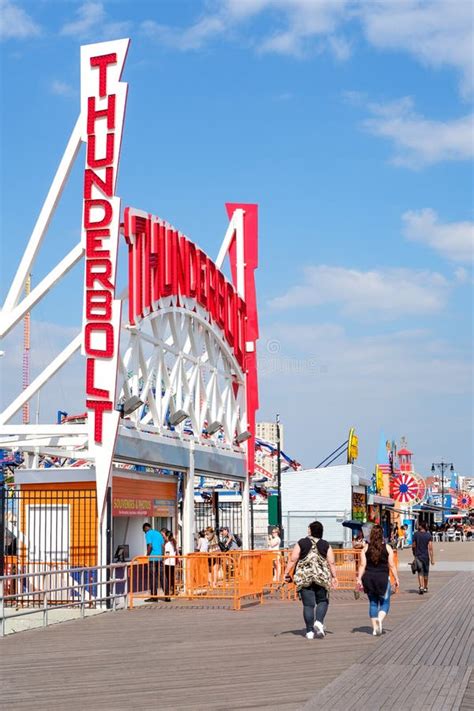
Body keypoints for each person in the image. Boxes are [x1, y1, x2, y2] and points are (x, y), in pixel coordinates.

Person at [283, 520, 338, 640]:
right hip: (321, 577)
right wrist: (334, 577)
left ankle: (309, 631)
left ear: (310, 530)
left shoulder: (302, 542)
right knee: (323, 601)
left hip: (304, 577)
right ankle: (318, 621)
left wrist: (286, 573)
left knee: (308, 605)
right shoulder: (325, 544)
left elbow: (293, 559)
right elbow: (331, 562)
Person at [356, 524, 399, 636]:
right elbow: (391, 565)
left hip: (368, 579)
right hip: (383, 579)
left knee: (373, 603)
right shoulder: (387, 548)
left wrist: (359, 579)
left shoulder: (365, 548)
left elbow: (362, 565)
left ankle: (375, 629)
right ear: (382, 535)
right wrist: (396, 578)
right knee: (385, 603)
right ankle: (379, 620)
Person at [143, 523, 164, 601]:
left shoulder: (148, 533)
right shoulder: (158, 533)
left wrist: (147, 555)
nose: (145, 533)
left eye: (144, 531)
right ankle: (167, 596)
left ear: (145, 528)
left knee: (153, 578)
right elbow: (162, 546)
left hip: (152, 559)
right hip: (159, 558)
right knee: (162, 577)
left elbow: (150, 546)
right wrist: (162, 556)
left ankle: (154, 597)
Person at [412, 520, 435, 594]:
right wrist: (432, 559)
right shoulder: (428, 535)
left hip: (418, 556)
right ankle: (425, 587)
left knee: (420, 572)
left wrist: (414, 553)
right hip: (426, 557)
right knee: (426, 573)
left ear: (421, 526)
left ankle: (421, 586)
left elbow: (413, 545)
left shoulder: (416, 534)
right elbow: (430, 548)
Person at [163, 529, 177, 601]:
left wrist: (162, 558)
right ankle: (173, 591)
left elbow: (167, 554)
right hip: (172, 562)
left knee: (167, 578)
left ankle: (168, 592)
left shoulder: (168, 544)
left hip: (167, 562)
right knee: (171, 577)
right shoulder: (173, 543)